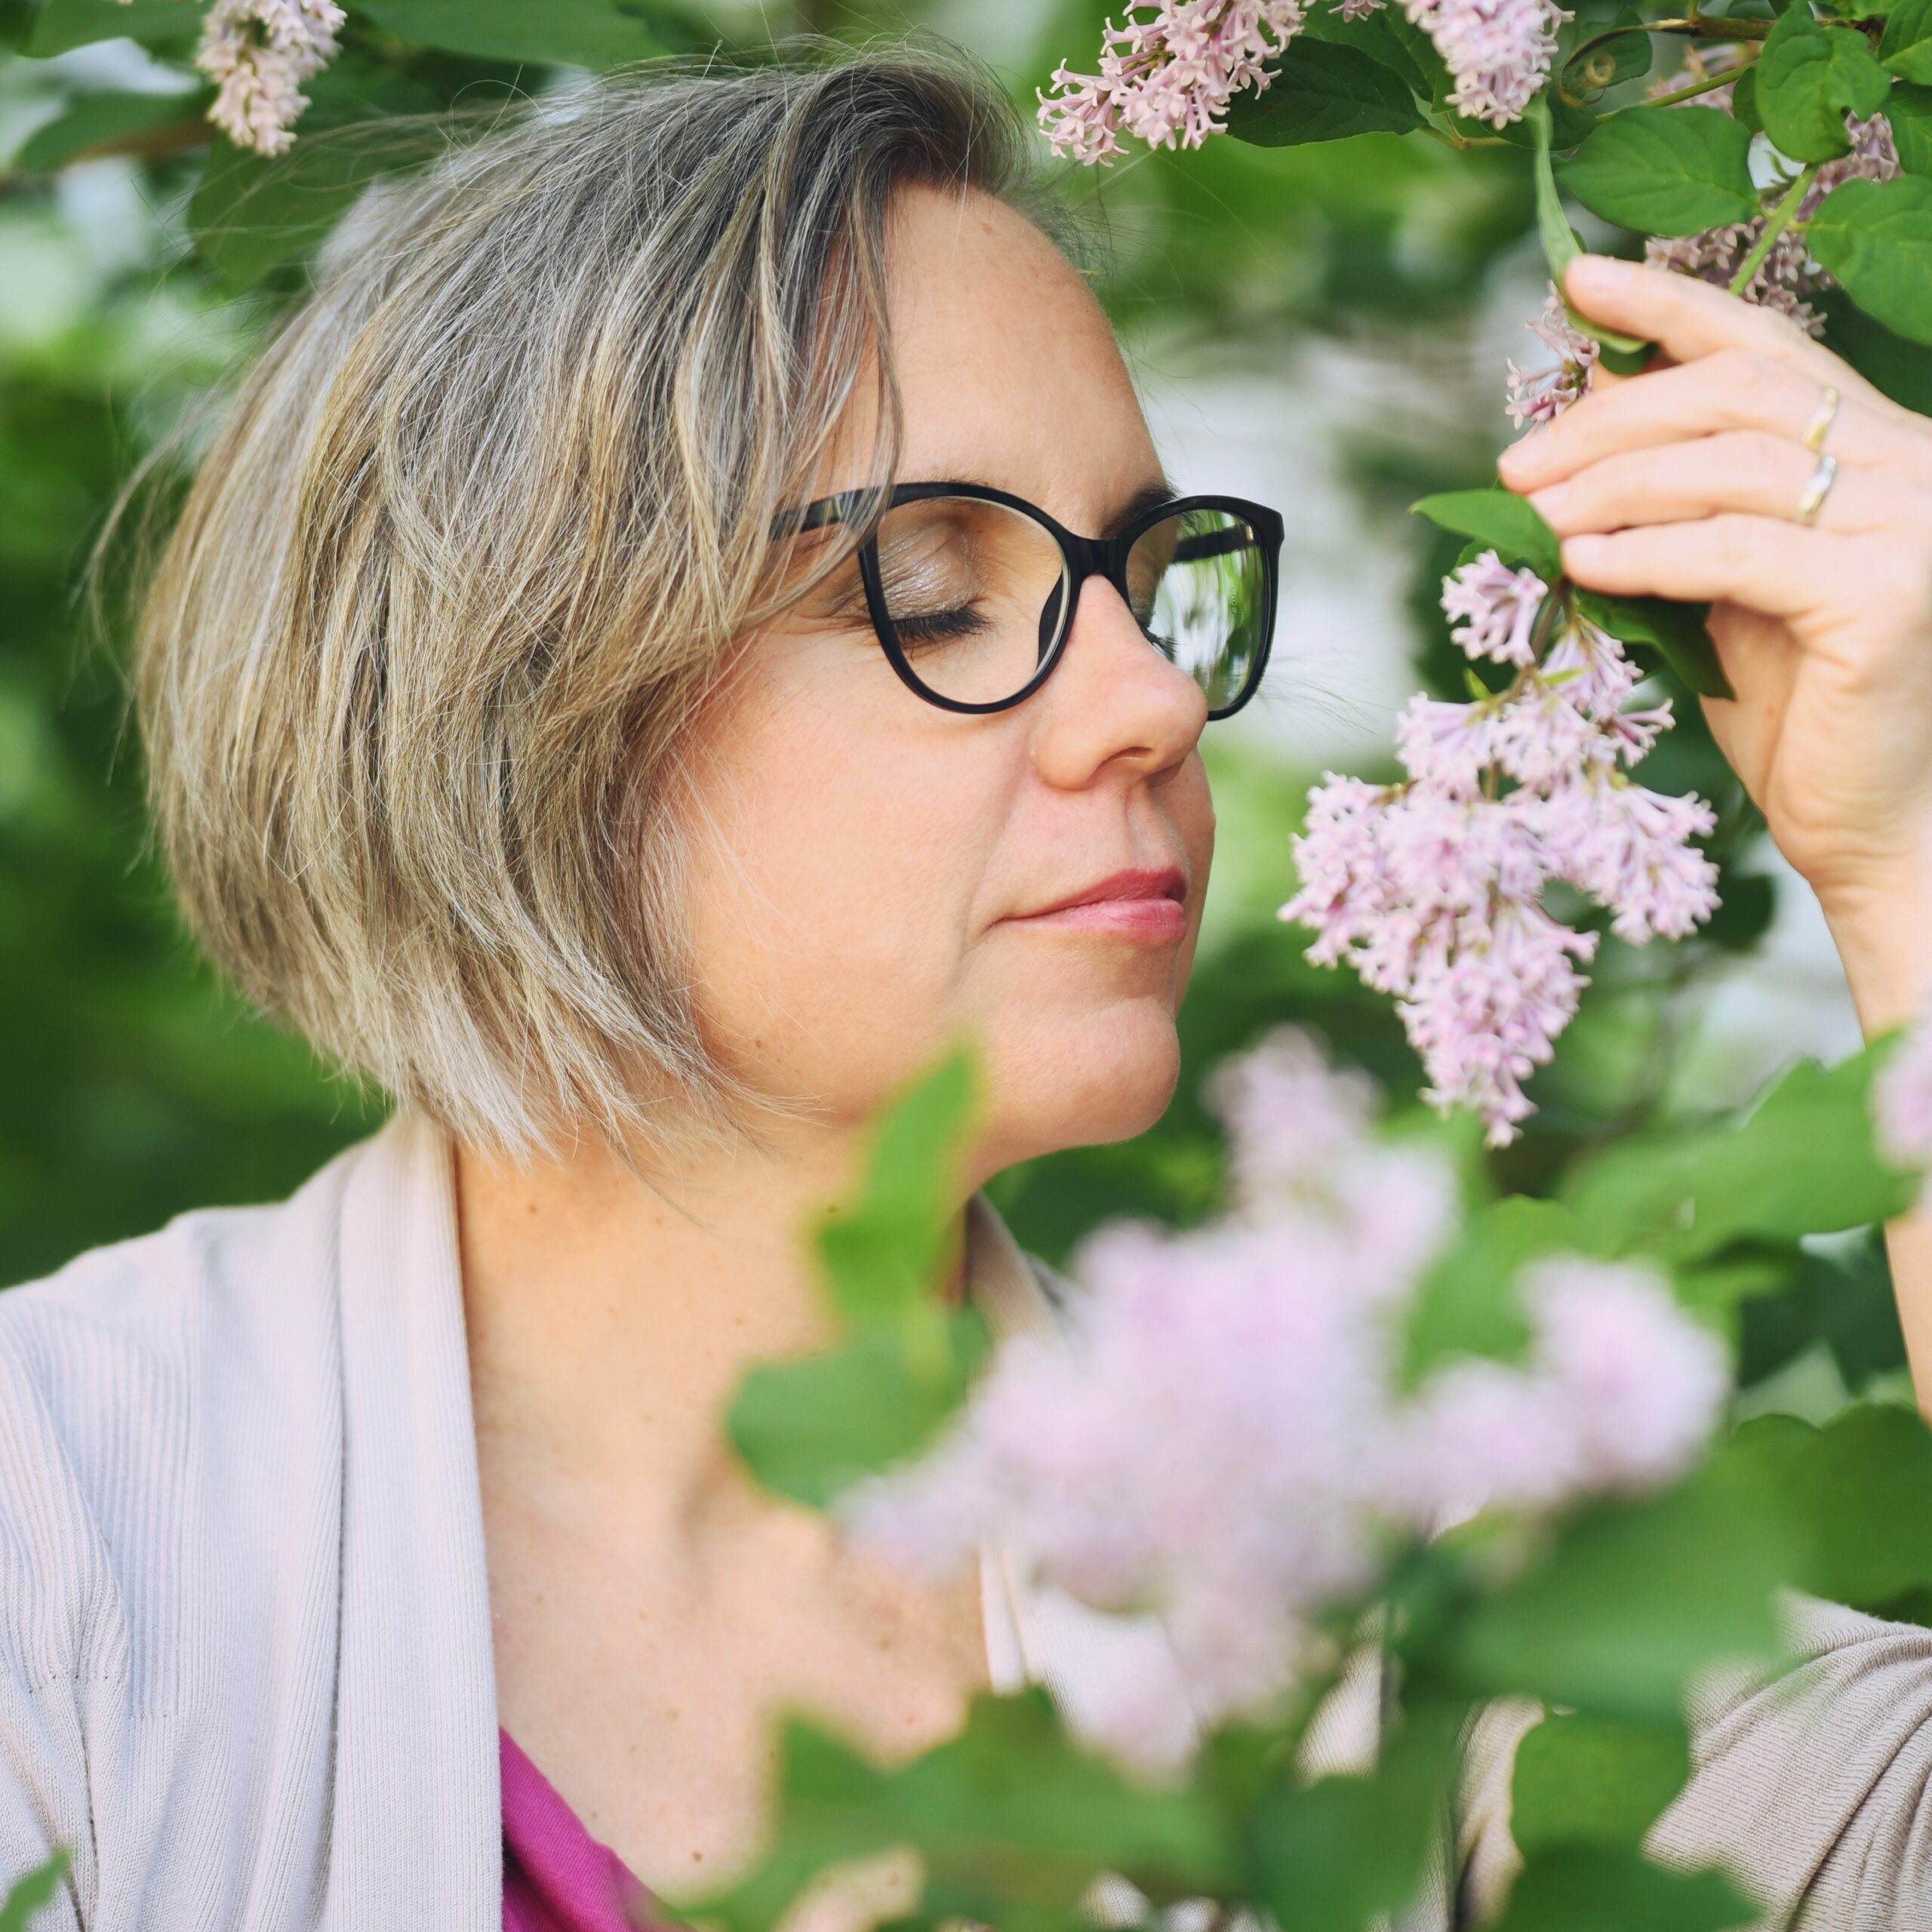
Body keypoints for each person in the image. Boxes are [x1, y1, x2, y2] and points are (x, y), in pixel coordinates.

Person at [2, 44, 1932, 1932]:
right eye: (930, 591)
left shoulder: (1377, 1569)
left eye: (1149, 573)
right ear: (504, 703)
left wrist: (1904, 844)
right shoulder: (61, 1539)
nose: (1157, 700)